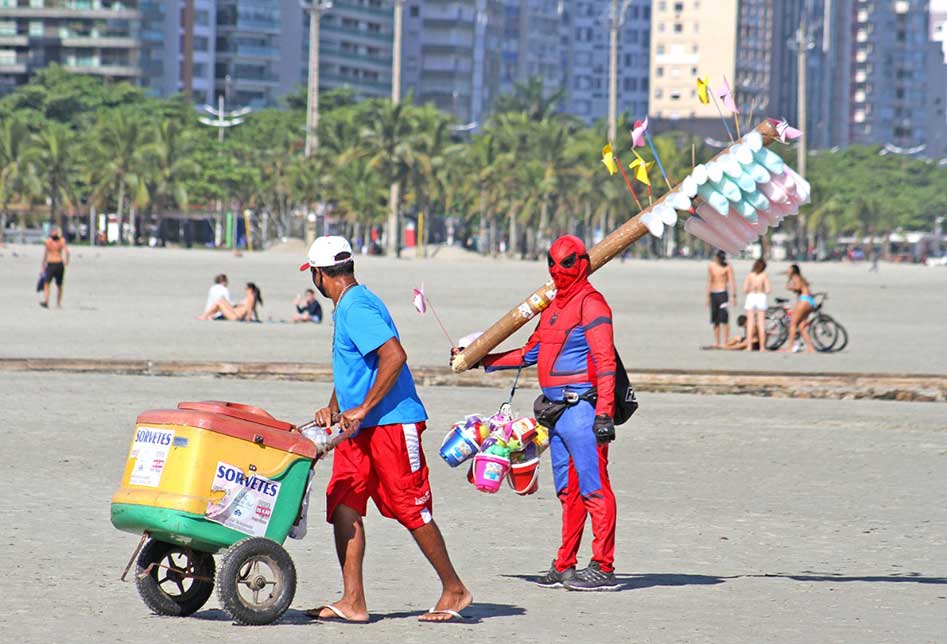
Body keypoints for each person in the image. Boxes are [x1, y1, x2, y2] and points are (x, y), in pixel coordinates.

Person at [300, 236, 470, 623]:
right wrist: (334, 406)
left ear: (319, 274)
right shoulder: (347, 304)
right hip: (357, 429)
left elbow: (394, 356)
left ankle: (455, 589)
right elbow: (356, 368)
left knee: (410, 504)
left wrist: (361, 407)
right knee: (344, 499)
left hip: (391, 422)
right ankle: (353, 601)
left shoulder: (356, 307)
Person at [468, 235, 619, 591]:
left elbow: (605, 362)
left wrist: (605, 414)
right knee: (568, 492)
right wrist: (481, 359)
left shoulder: (592, 304)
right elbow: (529, 353)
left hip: (583, 409)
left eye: (565, 263)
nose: (557, 269)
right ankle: (565, 563)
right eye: (551, 262)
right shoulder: (552, 307)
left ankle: (604, 565)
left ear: (582, 262)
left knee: (595, 488)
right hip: (555, 414)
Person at [783, 264, 816, 353]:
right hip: (810, 301)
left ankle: (790, 347)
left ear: (793, 271)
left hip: (804, 300)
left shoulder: (796, 277)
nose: (787, 271)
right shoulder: (800, 277)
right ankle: (810, 348)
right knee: (801, 326)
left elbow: (797, 287)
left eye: (789, 270)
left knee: (793, 324)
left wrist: (789, 287)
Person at [706, 250, 736, 347]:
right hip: (713, 293)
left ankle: (726, 341)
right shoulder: (711, 266)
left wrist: (733, 296)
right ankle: (717, 341)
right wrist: (707, 296)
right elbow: (710, 281)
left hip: (723, 293)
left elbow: (731, 282)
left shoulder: (727, 267)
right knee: (715, 319)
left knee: (724, 318)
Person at [742, 259, 771, 352]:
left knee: (750, 323)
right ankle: (762, 347)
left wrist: (751, 289)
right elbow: (768, 290)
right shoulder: (764, 275)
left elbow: (744, 289)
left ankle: (749, 346)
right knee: (761, 323)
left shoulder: (750, 275)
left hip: (751, 296)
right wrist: (761, 289)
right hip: (761, 296)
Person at [198, 281, 263, 322]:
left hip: (236, 316)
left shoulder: (251, 297)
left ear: (250, 289)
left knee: (220, 302)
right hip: (235, 312)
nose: (245, 290)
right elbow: (253, 308)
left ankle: (204, 316)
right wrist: (256, 318)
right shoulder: (251, 297)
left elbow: (250, 309)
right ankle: (209, 316)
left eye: (246, 288)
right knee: (222, 300)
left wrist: (248, 319)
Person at [40, 226, 69, 308]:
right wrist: (67, 261)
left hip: (51, 263)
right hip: (59, 264)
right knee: (59, 285)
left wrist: (43, 265)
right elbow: (67, 252)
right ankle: (58, 303)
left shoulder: (48, 241)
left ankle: (46, 301)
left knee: (47, 283)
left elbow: (45, 255)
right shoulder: (62, 241)